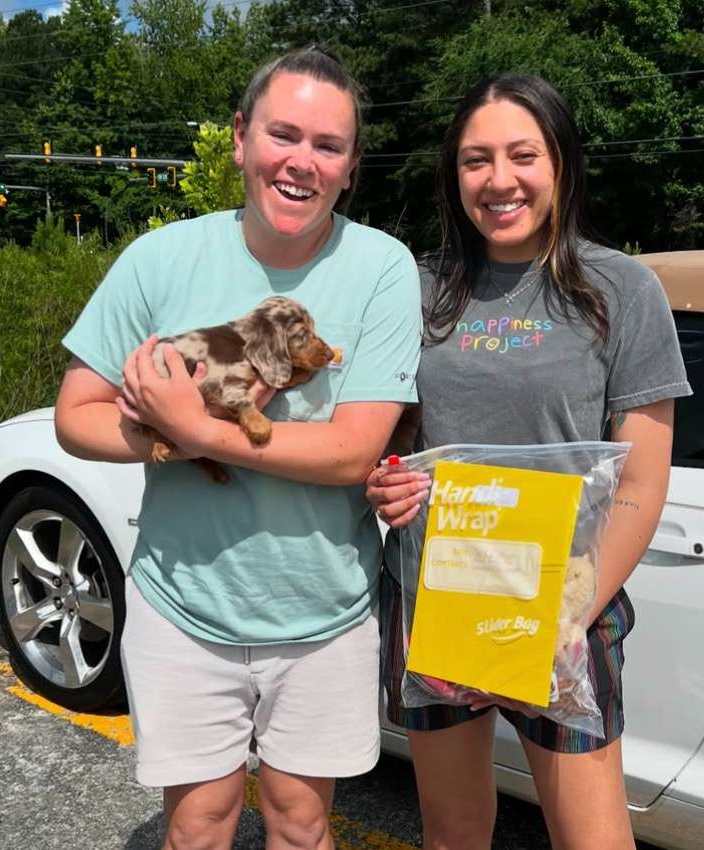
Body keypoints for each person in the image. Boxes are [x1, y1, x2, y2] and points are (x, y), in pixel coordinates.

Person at [54, 46, 422, 850]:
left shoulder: (383, 268)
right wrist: (170, 438)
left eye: (328, 146)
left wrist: (193, 428)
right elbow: (74, 416)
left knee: (301, 824)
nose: (302, 162)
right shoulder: (159, 259)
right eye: (282, 135)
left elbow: (352, 453)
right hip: (181, 606)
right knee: (198, 828)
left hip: (325, 613)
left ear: (352, 166)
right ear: (239, 138)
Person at [365, 74, 692, 850]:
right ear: (454, 174)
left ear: (562, 164)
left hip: (568, 610)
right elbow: (394, 440)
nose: (499, 180)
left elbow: (642, 484)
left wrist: (566, 613)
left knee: (593, 840)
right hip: (436, 601)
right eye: (476, 159)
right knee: (452, 836)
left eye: (523, 155)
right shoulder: (417, 288)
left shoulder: (622, 289)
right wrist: (384, 482)